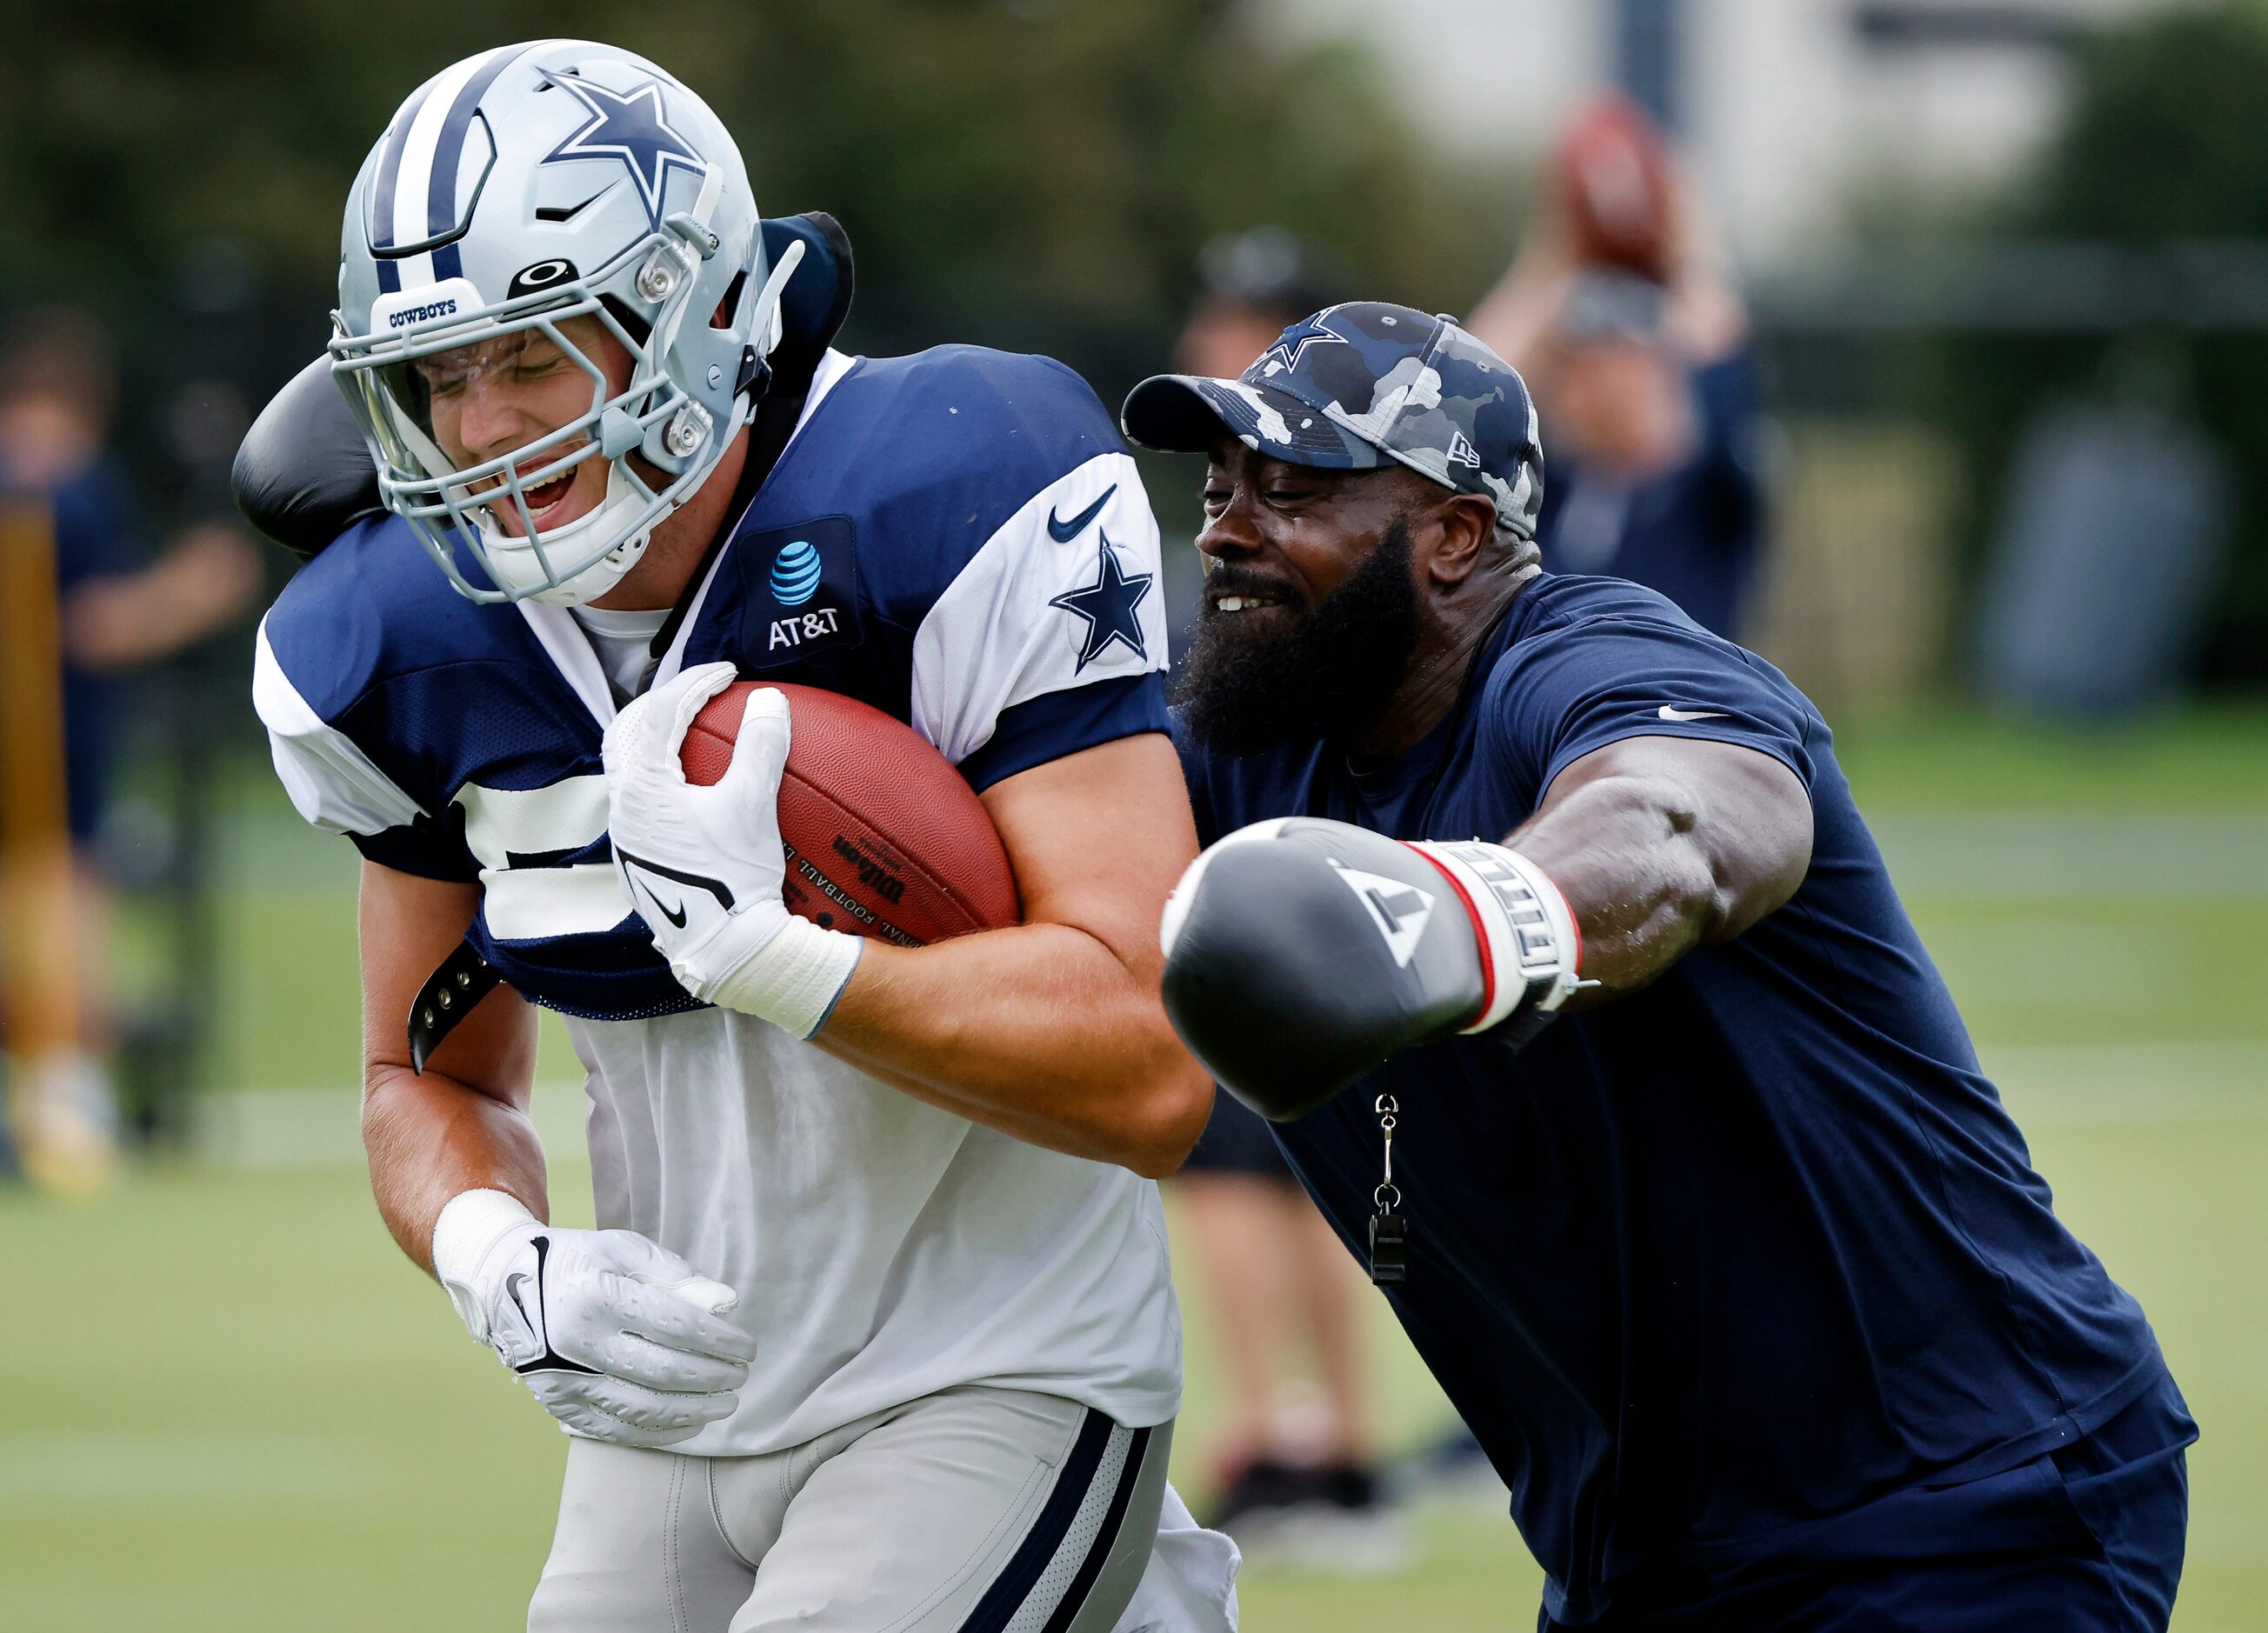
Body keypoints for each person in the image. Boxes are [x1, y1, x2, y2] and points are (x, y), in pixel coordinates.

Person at [243, 41, 1234, 1633]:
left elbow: (1149, 1064)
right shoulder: (401, 638)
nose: (481, 428)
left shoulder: (950, 486)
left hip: (993, 1369)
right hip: (669, 1421)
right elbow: (420, 1072)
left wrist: (786, 957)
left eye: (532, 354)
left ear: (690, 311)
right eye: (438, 377)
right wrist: (496, 1254)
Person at [1122, 301, 2193, 1630]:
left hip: (1958, 1499)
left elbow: (1679, 828)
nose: (1226, 525)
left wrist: (1461, 918)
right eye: (1220, 488)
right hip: (1643, 1553)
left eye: (1290, 491)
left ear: (1455, 535)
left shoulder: (1594, 657)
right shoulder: (1252, 749)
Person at [1164, 230, 1391, 1559]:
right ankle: (1336, 1448)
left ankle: (1281, 1436)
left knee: (1237, 1171)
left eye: (1248, 326)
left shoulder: (1315, 511)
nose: (1215, 346)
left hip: (1260, 872)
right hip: (1290, 858)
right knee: (1306, 1168)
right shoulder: (1248, 503)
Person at [0, 308, 259, 1188]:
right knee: (67, 917)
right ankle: (64, 1109)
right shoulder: (72, 481)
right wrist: (196, 591)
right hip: (51, 753)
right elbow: (95, 624)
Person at [1465, 95, 1765, 641]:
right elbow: (1468, 390)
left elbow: (1721, 354)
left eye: (1627, 355)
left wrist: (1686, 245)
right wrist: (1549, 259)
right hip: (1556, 721)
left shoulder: (1706, 498)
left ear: (1667, 379)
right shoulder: (1549, 495)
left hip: (1673, 714)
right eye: (1584, 358)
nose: (1603, 375)